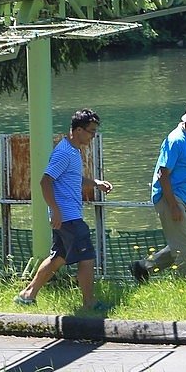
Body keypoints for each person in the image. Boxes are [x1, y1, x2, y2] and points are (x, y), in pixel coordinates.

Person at [14, 108, 113, 310]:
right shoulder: (64, 153)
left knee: (58, 258)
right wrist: (55, 210)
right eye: (91, 131)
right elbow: (45, 181)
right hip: (68, 217)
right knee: (87, 258)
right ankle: (89, 303)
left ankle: (27, 294)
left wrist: (96, 183)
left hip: (67, 216)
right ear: (78, 130)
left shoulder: (73, 150)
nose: (93, 135)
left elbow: (72, 178)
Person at [130, 101, 186, 282]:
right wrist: (173, 206)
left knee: (182, 244)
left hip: (183, 197)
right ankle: (185, 290)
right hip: (169, 197)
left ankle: (143, 267)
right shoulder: (175, 140)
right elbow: (163, 174)